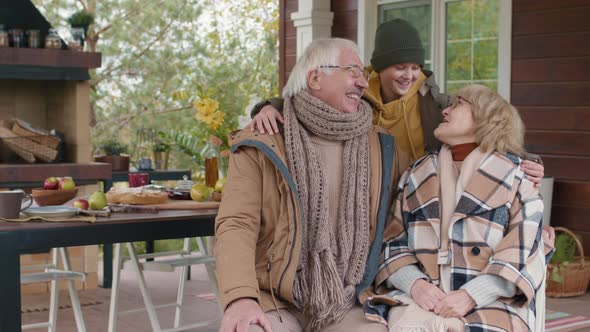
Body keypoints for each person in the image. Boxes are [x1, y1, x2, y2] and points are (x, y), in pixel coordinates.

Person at [215, 38, 410, 332]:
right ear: (315, 77)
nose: (363, 84)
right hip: (275, 299)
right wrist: (240, 297)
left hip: (349, 300)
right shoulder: (264, 142)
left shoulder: (383, 149)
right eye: (353, 72)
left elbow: (398, 228)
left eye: (364, 75)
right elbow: (236, 224)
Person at [249, 18, 545, 184]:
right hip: (368, 193)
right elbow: (311, 98)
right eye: (400, 67)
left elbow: (490, 125)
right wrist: (269, 106)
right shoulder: (356, 96)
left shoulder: (436, 104)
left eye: (415, 67)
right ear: (380, 67)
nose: (409, 75)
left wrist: (528, 162)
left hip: (419, 195)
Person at [368, 84, 555, 331]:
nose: (446, 111)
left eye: (458, 104)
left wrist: (472, 295)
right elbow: (392, 241)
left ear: (485, 118)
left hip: (495, 302)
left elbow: (522, 253)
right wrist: (415, 284)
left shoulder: (516, 178)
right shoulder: (416, 174)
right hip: (424, 298)